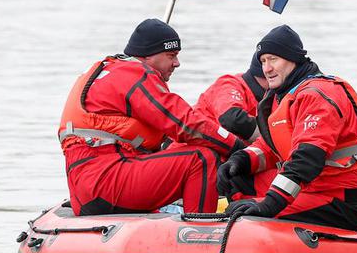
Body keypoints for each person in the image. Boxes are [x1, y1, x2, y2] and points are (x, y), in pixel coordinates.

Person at [58, 18, 244, 216]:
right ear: (147, 56)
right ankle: (200, 232)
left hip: (87, 187)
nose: (177, 63)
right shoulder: (135, 75)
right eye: (171, 55)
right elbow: (186, 124)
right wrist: (241, 150)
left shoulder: (110, 71)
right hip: (106, 183)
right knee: (201, 158)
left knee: (191, 151)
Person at [219, 25, 357, 230]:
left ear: (293, 59)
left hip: (337, 197)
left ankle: (249, 233)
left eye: (273, 59)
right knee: (235, 178)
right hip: (312, 188)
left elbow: (306, 160)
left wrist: (269, 205)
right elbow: (269, 146)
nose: (267, 68)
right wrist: (241, 160)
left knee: (244, 214)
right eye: (263, 61)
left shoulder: (317, 94)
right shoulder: (284, 95)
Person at [195, 51, 268, 141]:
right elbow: (232, 119)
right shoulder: (229, 85)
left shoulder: (274, 98)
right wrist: (273, 138)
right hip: (194, 149)